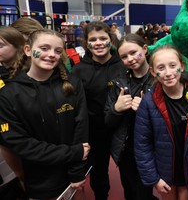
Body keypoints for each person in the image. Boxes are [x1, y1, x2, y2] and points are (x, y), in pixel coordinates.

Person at [0, 29, 90, 199]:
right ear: (28, 50)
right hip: (40, 181)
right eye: (44, 48)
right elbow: (22, 144)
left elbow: (81, 128)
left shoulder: (72, 84)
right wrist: (73, 152)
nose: (51, 55)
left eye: (57, 50)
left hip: (73, 174)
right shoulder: (9, 95)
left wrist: (77, 172)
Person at [134, 45, 188, 200]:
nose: (168, 73)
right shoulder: (148, 102)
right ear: (153, 72)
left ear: (182, 66)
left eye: (173, 66)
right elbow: (142, 145)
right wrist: (154, 179)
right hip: (165, 175)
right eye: (161, 67)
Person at [72, 21, 125, 200]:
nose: (99, 43)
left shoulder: (124, 66)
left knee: (130, 172)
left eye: (103, 38)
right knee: (98, 174)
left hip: (123, 129)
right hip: (95, 132)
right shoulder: (79, 71)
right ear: (86, 43)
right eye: (93, 39)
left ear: (111, 39)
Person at [104, 33, 155, 200]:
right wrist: (116, 109)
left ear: (145, 49)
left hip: (150, 149)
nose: (130, 59)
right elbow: (108, 121)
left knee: (145, 192)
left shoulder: (158, 80)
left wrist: (146, 111)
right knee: (130, 191)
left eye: (134, 52)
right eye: (124, 57)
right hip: (125, 149)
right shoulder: (118, 82)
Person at [0, 27, 27, 199]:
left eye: (1, 45)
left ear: (18, 47)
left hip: (28, 135)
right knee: (21, 178)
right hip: (5, 134)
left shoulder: (29, 72)